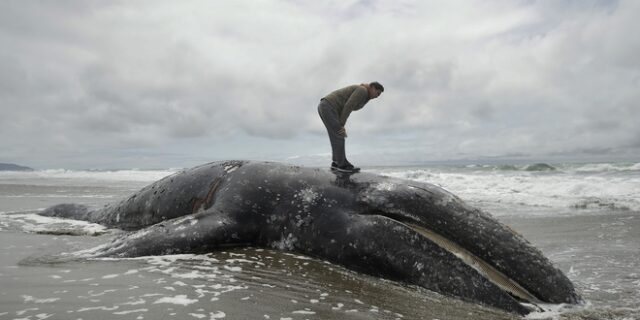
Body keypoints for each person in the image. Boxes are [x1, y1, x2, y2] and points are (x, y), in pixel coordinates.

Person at [317, 82, 384, 173]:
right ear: (372, 88)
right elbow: (349, 106)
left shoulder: (365, 94)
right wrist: (342, 124)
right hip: (328, 106)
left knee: (336, 135)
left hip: (326, 106)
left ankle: (336, 163)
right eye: (377, 93)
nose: (377, 96)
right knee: (339, 134)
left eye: (379, 95)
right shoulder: (363, 91)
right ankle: (342, 165)